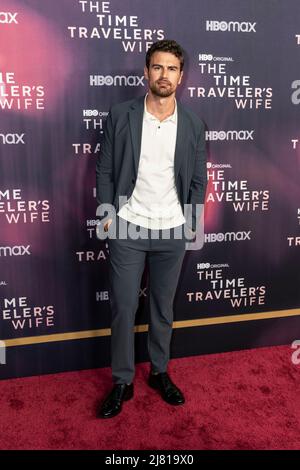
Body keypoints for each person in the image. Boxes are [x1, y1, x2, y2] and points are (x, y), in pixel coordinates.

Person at [96, 39, 207, 418]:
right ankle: (122, 381)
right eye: (157, 67)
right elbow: (106, 168)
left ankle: (160, 372)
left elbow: (197, 179)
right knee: (124, 307)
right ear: (147, 72)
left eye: (172, 68)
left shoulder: (192, 123)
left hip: (172, 229)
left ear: (181, 76)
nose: (164, 75)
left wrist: (192, 222)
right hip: (128, 226)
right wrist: (108, 217)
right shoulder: (121, 115)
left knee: (162, 308)